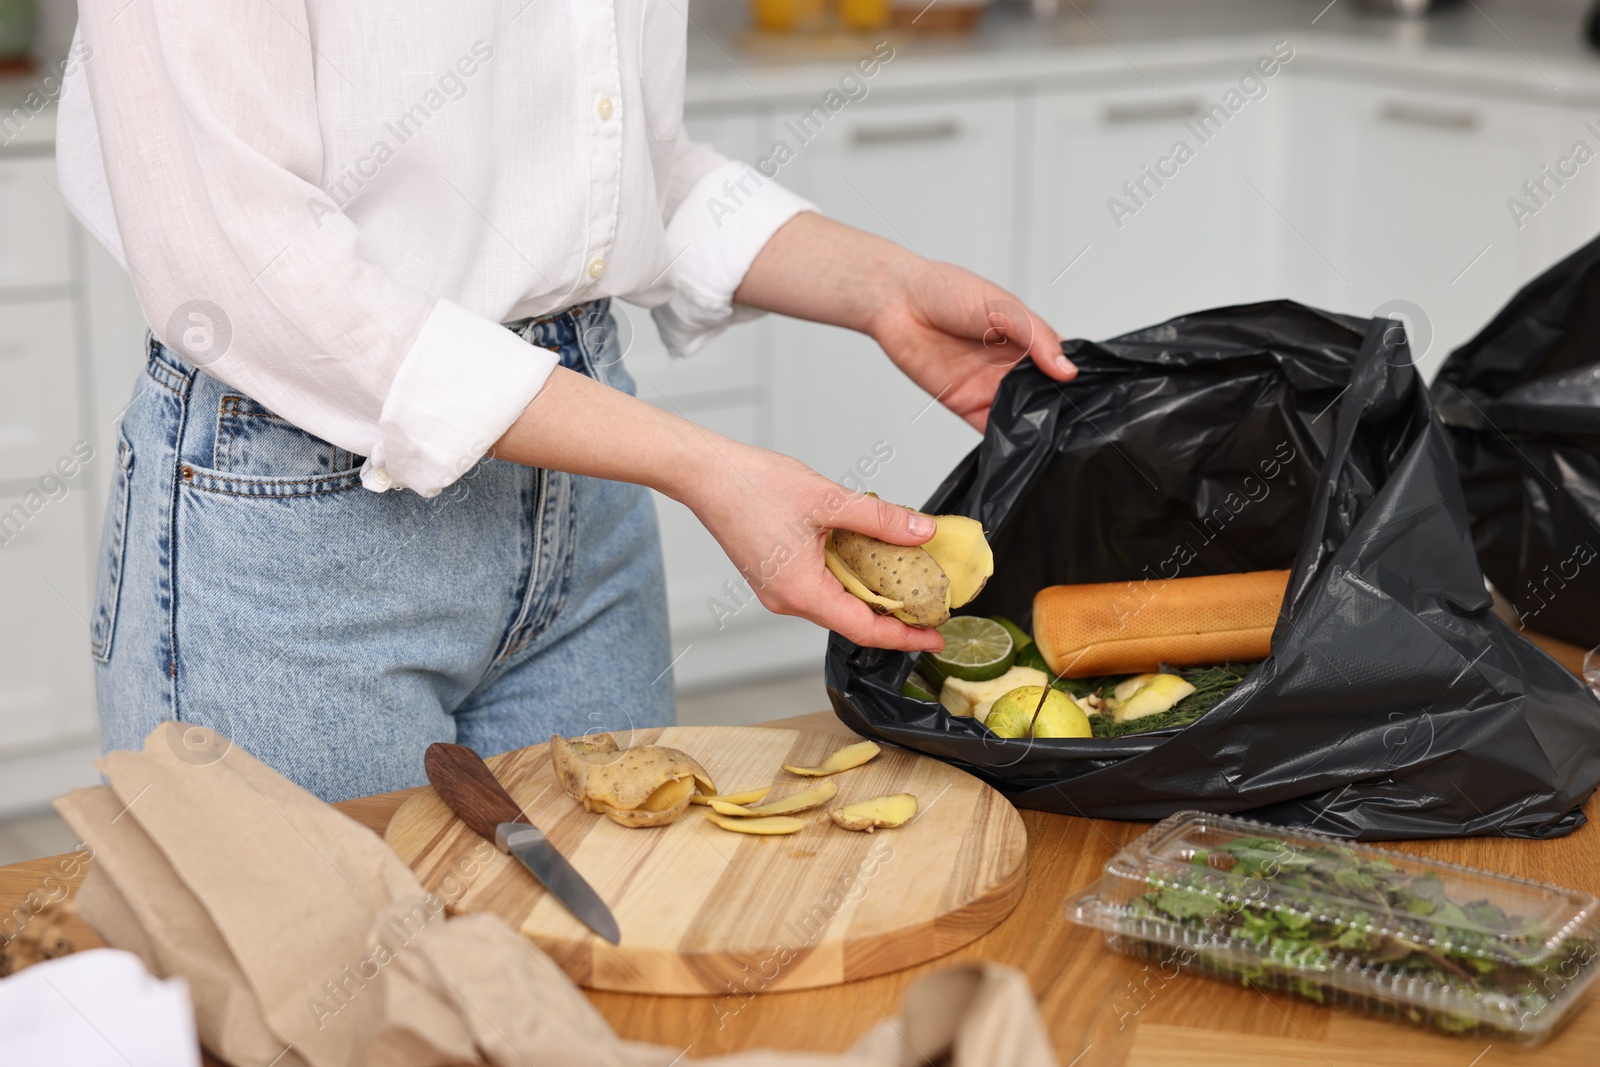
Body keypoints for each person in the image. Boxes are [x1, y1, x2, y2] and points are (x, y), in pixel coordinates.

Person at [57, 2, 1073, 801]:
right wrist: (703, 465)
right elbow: (247, 272)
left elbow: (629, 169)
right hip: (300, 516)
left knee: (609, 960)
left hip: (582, 499)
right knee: (334, 1002)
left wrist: (882, 288)